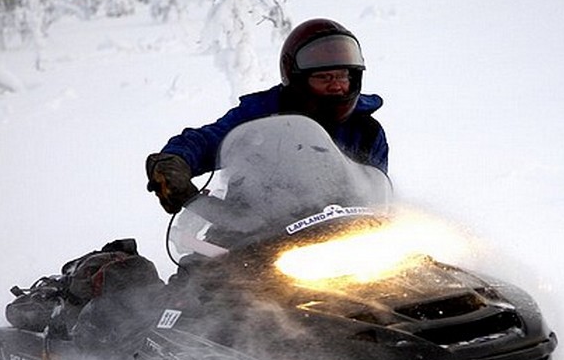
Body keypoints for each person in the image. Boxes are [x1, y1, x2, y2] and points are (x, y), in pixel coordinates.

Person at [145, 18, 389, 214]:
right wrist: (175, 160)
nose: (336, 86)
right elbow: (209, 139)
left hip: (344, 231)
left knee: (413, 269)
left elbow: (377, 193)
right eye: (324, 78)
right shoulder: (260, 113)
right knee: (205, 269)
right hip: (253, 231)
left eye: (342, 77)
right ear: (298, 78)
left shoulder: (366, 129)